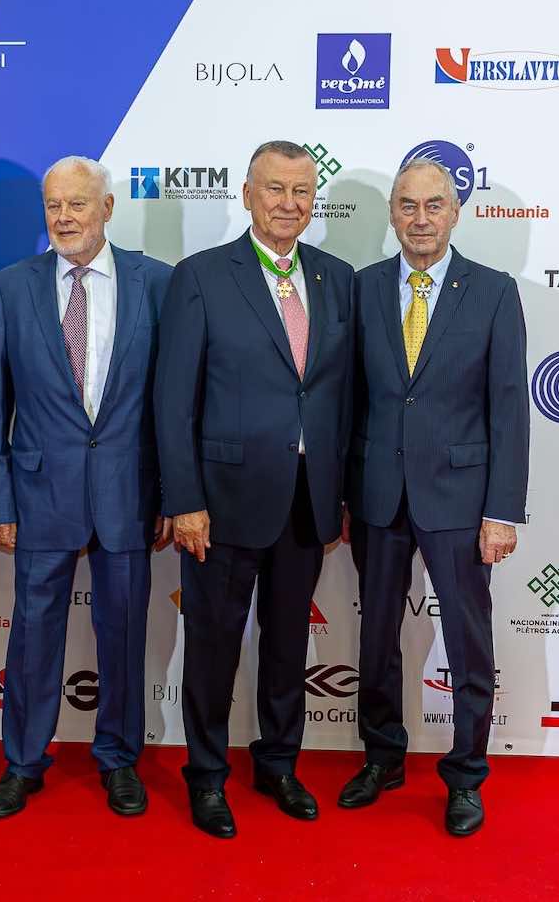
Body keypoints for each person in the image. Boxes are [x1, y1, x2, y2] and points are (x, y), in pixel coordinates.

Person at [155, 140, 354, 838]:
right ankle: (207, 776)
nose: (288, 204)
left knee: (288, 644)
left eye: (301, 191)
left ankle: (278, 764)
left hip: (306, 501)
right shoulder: (202, 276)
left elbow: (343, 399)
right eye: (275, 189)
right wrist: (184, 500)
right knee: (212, 646)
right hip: (220, 502)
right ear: (246, 194)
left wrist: (340, 494)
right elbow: (173, 401)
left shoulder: (336, 278)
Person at [0, 156, 173, 819]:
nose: (63, 217)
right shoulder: (11, 287)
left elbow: (173, 406)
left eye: (77, 204)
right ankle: (23, 762)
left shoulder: (156, 283)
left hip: (128, 493)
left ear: (107, 208)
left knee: (124, 634)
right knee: (32, 637)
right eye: (53, 205)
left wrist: (172, 495)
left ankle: (118, 758)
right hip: (38, 494)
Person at [339, 157, 528, 837]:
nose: (420, 219)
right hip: (376, 495)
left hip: (461, 500)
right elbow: (347, 401)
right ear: (392, 213)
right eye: (407, 205)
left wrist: (500, 510)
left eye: (433, 205)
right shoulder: (361, 287)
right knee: (376, 637)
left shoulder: (494, 291)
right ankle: (382, 757)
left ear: (455, 212)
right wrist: (340, 495)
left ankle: (467, 775)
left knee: (468, 642)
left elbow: (509, 408)